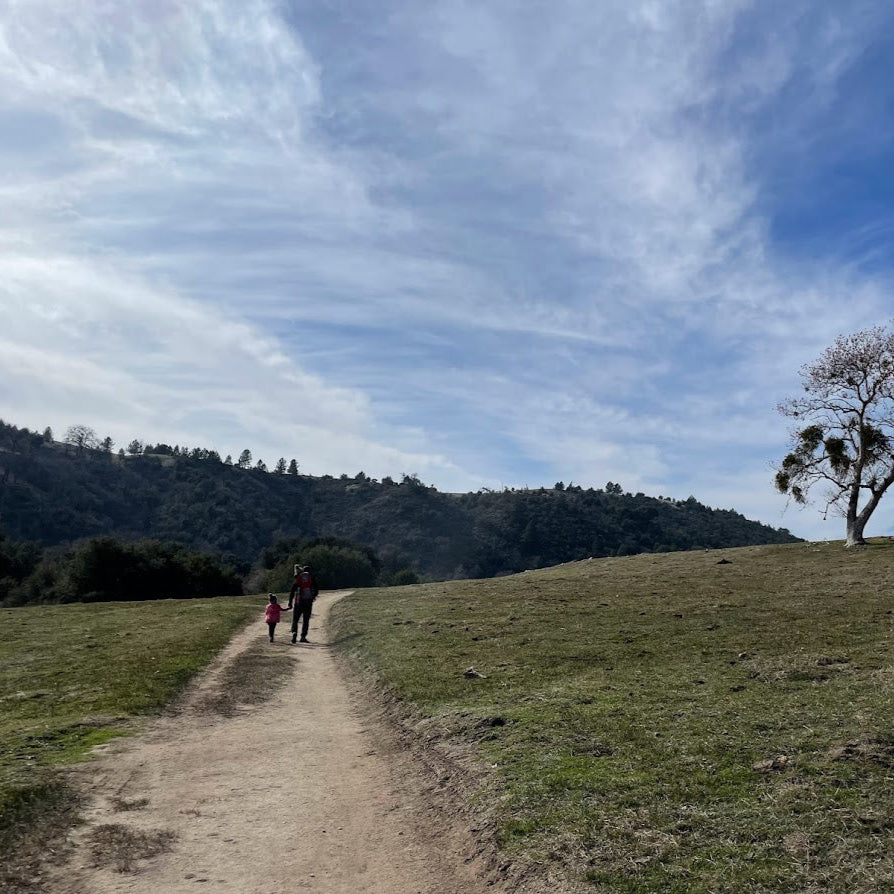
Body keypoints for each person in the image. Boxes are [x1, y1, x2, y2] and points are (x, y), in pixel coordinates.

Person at [288, 564, 318, 643]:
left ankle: (294, 632)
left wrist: (290, 602)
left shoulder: (298, 578)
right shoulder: (311, 578)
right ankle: (303, 637)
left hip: (298, 602)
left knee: (295, 619)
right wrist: (313, 596)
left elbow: (292, 591)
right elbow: (316, 589)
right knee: (306, 620)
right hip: (308, 602)